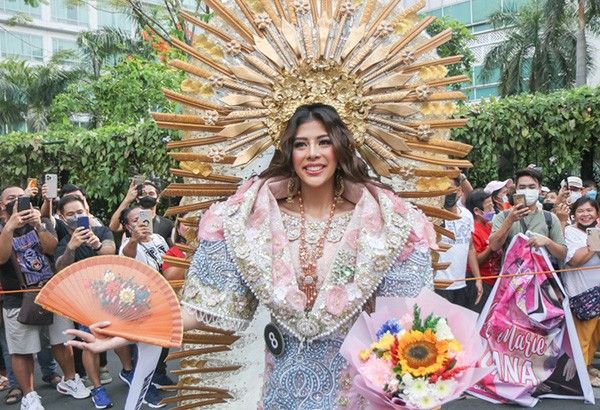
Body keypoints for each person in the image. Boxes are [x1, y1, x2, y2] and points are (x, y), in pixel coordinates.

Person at [65, 103, 437, 408]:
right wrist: (128, 329)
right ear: (288, 151)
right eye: (301, 144)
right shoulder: (250, 219)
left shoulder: (384, 222)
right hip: (281, 390)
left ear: (339, 147)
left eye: (323, 142)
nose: (312, 154)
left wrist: (426, 386)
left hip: (356, 388)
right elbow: (204, 309)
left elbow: (412, 323)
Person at [0, 186, 89, 410]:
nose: (17, 201)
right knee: (22, 348)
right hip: (18, 297)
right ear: (2, 205)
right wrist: (9, 227)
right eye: (12, 198)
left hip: (51, 291)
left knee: (61, 339)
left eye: (22, 197)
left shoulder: (44, 221)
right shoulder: (2, 227)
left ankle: (70, 380)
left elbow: (51, 249)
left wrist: (39, 225)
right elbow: (1, 259)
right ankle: (29, 395)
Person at [53, 195, 117, 408]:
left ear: (87, 211)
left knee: (122, 337)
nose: (76, 216)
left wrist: (96, 244)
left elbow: (111, 251)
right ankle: (97, 390)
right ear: (62, 217)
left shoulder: (101, 231)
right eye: (70, 214)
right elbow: (60, 269)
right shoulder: (63, 243)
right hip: (83, 303)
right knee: (90, 344)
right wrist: (71, 247)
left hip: (111, 296)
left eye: (79, 212)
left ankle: (129, 371)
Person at [119, 205, 169, 407]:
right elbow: (128, 254)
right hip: (142, 303)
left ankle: (158, 376)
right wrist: (134, 239)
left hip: (164, 298)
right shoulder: (127, 245)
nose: (141, 222)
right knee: (146, 351)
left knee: (164, 343)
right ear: (127, 226)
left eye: (144, 217)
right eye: (135, 220)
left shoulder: (159, 239)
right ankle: (144, 390)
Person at [488, 168, 567, 264]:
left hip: (542, 276)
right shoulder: (503, 216)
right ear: (516, 189)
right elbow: (494, 246)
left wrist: (547, 242)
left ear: (539, 189)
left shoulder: (550, 218)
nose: (527, 190)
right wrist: (509, 221)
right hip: (512, 276)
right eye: (522, 187)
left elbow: (562, 254)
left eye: (532, 187)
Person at [563, 197, 600, 387]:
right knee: (582, 337)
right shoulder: (570, 232)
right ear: (574, 214)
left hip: (598, 291)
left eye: (590, 211)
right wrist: (595, 240)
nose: (585, 214)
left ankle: (587, 364)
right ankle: (581, 374)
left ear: (597, 213)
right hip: (582, 292)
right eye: (581, 211)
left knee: (594, 334)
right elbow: (576, 260)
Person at [434, 179, 483, 309]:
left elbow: (471, 248)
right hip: (440, 284)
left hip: (461, 283)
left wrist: (478, 278)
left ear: (459, 192)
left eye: (450, 189)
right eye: (442, 189)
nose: (446, 194)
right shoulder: (433, 216)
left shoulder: (467, 215)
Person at [465, 189, 501, 312]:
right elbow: (476, 260)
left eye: (493, 205)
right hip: (480, 283)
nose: (492, 209)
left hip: (492, 282)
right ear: (477, 211)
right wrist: (491, 246)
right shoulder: (474, 230)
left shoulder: (489, 226)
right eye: (489, 206)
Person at [109, 181, 174, 246]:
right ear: (137, 198)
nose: (147, 196)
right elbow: (113, 227)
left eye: (151, 193)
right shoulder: (131, 220)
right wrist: (127, 199)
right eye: (143, 194)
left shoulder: (168, 224)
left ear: (158, 198)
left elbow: (173, 247)